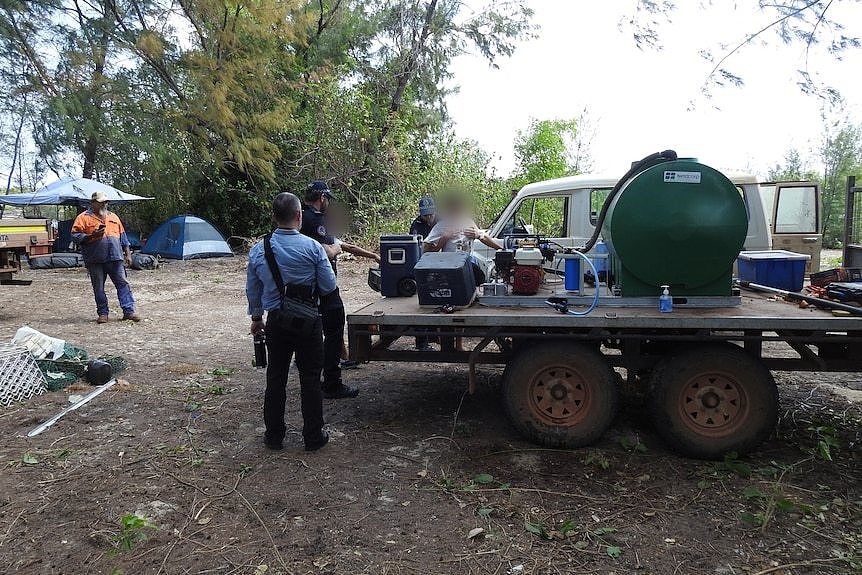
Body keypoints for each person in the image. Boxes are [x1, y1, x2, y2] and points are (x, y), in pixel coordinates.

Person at [246, 192, 335, 451]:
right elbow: (329, 286)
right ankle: (313, 437)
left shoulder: (258, 250)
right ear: (299, 216)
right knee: (309, 379)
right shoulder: (313, 247)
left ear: (274, 217)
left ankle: (274, 437)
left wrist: (256, 318)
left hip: (276, 323)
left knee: (276, 378)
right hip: (309, 322)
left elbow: (253, 289)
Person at [301, 180, 377, 398]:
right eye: (328, 200)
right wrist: (334, 249)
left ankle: (319, 374)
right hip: (322, 287)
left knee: (317, 330)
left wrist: (373, 256)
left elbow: (345, 245)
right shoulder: (314, 219)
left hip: (304, 288)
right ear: (322, 198)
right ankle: (332, 383)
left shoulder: (299, 218)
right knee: (333, 330)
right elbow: (328, 251)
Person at [71, 191, 140, 323]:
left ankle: (129, 311)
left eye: (105, 202)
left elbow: (123, 237)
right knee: (98, 287)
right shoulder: (83, 218)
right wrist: (91, 236)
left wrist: (128, 254)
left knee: (123, 284)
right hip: (95, 258)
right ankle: (103, 313)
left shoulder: (113, 216)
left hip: (115, 257)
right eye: (101, 202)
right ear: (93, 203)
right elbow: (75, 235)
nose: (104, 204)